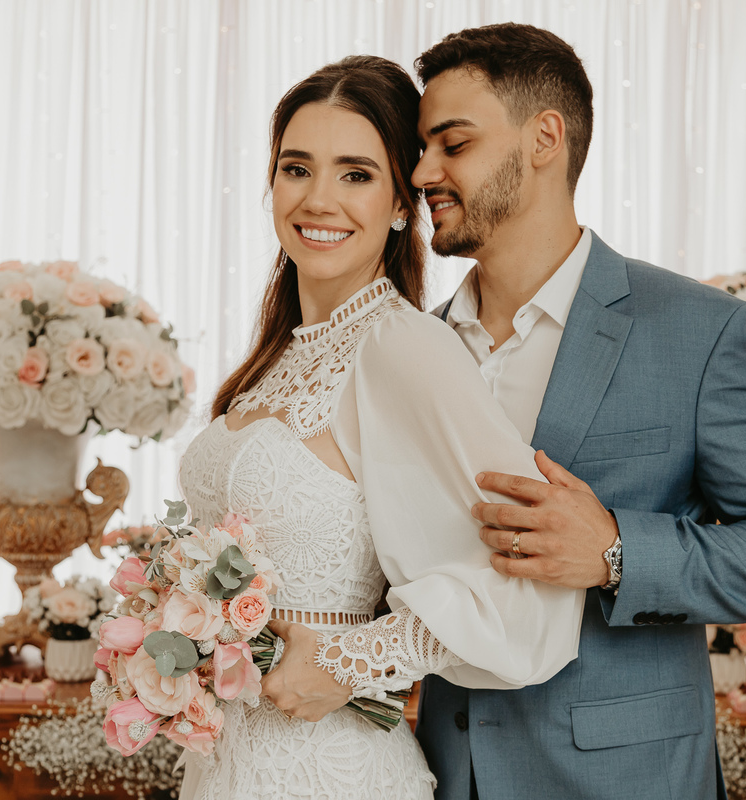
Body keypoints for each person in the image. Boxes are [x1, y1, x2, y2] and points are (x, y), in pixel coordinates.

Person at [407, 23, 746, 799]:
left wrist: (617, 552)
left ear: (545, 138)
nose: (422, 172)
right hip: (445, 774)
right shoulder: (416, 346)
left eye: (453, 143)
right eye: (422, 148)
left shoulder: (699, 332)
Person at [175, 55, 585, 800]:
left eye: (356, 174)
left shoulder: (403, 345)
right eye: (297, 168)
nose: (318, 199)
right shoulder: (275, 359)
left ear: (402, 202)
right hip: (228, 761)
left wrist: (347, 663)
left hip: (332, 768)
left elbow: (528, 589)